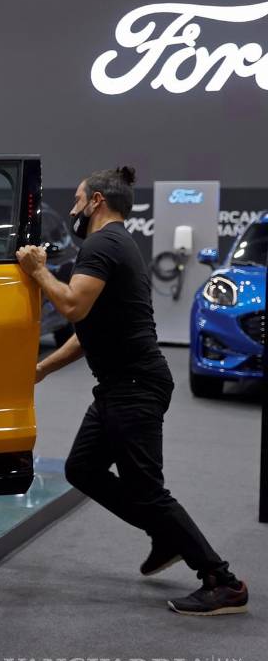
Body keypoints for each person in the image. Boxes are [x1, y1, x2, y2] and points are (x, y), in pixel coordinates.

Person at [16, 166, 248, 616]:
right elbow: (88, 333)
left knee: (147, 490)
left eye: (78, 200)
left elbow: (71, 306)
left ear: (97, 201)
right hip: (120, 386)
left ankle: (223, 581)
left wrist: (38, 270)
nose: (73, 209)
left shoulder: (102, 244)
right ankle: (166, 535)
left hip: (135, 386)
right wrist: (41, 369)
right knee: (83, 469)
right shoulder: (118, 244)